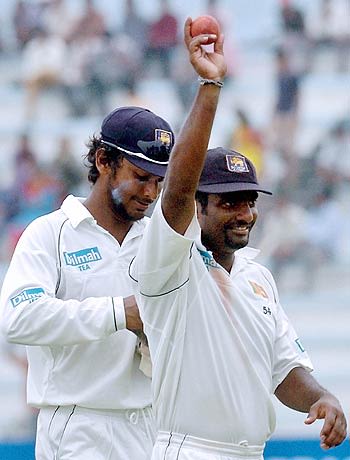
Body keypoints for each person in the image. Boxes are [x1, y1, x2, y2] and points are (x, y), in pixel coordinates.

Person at [130, 18, 347, 460]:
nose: (245, 213)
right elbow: (175, 192)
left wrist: (322, 398)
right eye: (229, 203)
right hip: (189, 451)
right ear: (198, 206)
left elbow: (284, 369)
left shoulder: (259, 278)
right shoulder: (171, 266)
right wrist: (210, 85)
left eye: (249, 201)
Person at [0, 106, 174, 459]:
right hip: (76, 426)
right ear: (103, 161)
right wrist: (120, 313)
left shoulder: (158, 241)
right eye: (141, 176)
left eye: (159, 181)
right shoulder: (49, 233)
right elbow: (19, 319)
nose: (151, 193)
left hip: (148, 426)